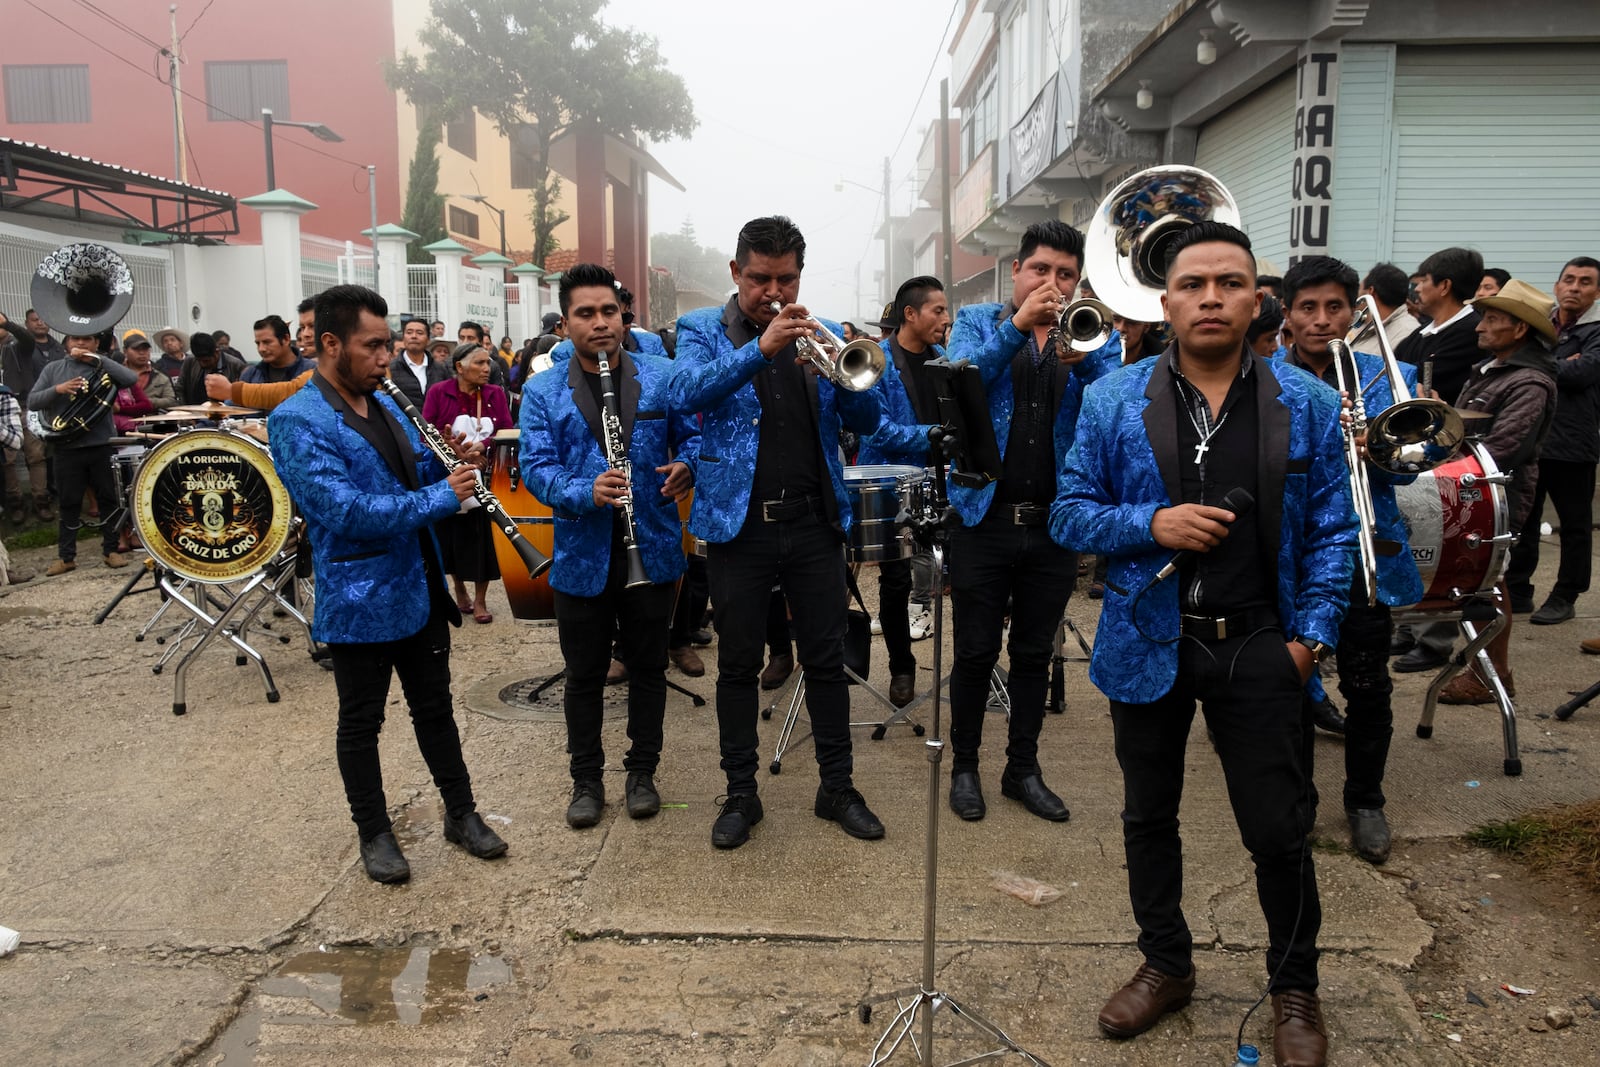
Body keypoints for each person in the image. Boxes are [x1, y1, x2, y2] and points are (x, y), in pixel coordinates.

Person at [1052, 220, 1354, 1067]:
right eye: (1194, 284)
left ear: (1259, 299)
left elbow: (1334, 530)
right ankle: (1166, 963)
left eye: (1230, 282)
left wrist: (1311, 643)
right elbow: (1068, 510)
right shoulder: (1112, 398)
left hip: (1263, 643)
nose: (1212, 296)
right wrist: (1152, 522)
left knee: (1278, 829)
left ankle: (1296, 987)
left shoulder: (1310, 402)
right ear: (1166, 300)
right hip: (1148, 640)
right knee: (1149, 815)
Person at [269, 284, 507, 884]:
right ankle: (374, 832)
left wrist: (445, 462)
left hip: (421, 585)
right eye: (373, 347)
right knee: (361, 722)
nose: (385, 358)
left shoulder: (388, 402)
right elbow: (343, 511)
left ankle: (461, 813)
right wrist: (440, 496)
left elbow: (406, 473)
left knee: (436, 709)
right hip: (360, 599)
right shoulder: (297, 420)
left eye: (388, 346)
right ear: (330, 344)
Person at [670, 214, 884, 849]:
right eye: (760, 279)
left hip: (815, 524)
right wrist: (758, 350)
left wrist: (845, 371)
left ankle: (836, 788)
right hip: (740, 530)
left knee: (825, 661)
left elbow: (868, 414)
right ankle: (740, 793)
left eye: (785, 279)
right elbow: (685, 393)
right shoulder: (702, 330)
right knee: (736, 665)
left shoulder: (817, 333)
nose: (773, 292)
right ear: (735, 273)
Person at [944, 220, 1116, 825]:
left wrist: (1088, 360)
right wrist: (1018, 330)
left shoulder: (1092, 330)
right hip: (981, 518)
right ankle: (965, 766)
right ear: (1016, 271)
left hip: (1053, 524)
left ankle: (1022, 769)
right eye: (1040, 270)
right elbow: (958, 383)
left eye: (1065, 274)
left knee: (1035, 654)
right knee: (973, 652)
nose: (1052, 283)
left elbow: (1118, 403)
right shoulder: (976, 323)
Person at [521, 263, 700, 827]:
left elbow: (693, 434)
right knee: (584, 676)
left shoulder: (664, 375)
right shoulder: (541, 389)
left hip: (653, 547)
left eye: (608, 311)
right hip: (582, 555)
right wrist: (584, 490)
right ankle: (586, 781)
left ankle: (643, 772)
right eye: (585, 313)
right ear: (564, 324)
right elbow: (534, 467)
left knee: (649, 668)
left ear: (623, 314)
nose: (600, 323)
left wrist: (687, 465)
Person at [1274, 255, 1422, 864]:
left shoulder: (1388, 374)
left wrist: (1381, 445)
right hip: (1290, 553)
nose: (1321, 319)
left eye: (1334, 306)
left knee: (1367, 682)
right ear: (1287, 317)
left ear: (1354, 310)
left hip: (1365, 550)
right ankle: (1297, 799)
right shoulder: (1262, 378)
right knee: (1290, 684)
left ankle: (1366, 800)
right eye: (1307, 308)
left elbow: (1419, 460)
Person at [1432, 280, 1559, 704]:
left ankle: (1493, 674)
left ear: (1520, 329)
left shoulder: (1530, 382)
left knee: (1492, 580)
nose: (1479, 327)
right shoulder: (1492, 370)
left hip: (1496, 496)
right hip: (1476, 490)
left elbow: (1506, 447)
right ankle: (1485, 669)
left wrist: (1443, 467)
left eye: (1491, 319)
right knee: (1484, 580)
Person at [859, 275, 950, 706]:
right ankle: (901, 667)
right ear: (910, 314)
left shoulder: (946, 361)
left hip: (940, 482)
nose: (945, 319)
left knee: (952, 575)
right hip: (891, 485)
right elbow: (876, 429)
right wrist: (933, 434)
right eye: (939, 310)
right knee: (895, 583)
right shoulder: (875, 362)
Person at [1506, 257, 1600, 626]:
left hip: (1573, 442)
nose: (1575, 287)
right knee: (1523, 518)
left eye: (1586, 282)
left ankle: (1566, 594)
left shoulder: (1596, 331)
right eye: (1569, 280)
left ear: (1597, 292)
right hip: (1532, 436)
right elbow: (1511, 358)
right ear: (1557, 286)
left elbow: (1584, 372)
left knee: (1575, 524)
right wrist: (1558, 362)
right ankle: (1518, 590)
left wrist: (1537, 364)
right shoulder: (1541, 327)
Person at [29, 328, 139, 575]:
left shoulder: (102, 367)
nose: (81, 342)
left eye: (87, 339)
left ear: (95, 342)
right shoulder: (53, 369)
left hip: (100, 444)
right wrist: (58, 389)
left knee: (109, 499)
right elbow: (33, 400)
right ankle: (66, 557)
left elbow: (130, 380)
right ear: (67, 343)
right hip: (67, 447)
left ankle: (110, 550)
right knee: (69, 502)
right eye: (76, 339)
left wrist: (99, 359)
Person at [422, 342, 513, 624]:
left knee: (481, 538)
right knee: (450, 536)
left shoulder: (495, 394)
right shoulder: (439, 392)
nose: (487, 369)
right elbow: (425, 431)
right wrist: (451, 449)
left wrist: (482, 446)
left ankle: (481, 599)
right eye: (480, 364)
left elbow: (506, 429)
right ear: (460, 367)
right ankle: (459, 589)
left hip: (484, 476)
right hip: (447, 475)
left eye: (489, 363)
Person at [1395, 246, 1484, 407]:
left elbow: (1413, 376)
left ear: (1444, 286)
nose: (1417, 289)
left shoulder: (1471, 331)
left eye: (1424, 281)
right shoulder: (1421, 332)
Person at [0, 309, 63, 523]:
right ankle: (15, 503)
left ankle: (41, 502)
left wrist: (8, 325)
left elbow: (27, 338)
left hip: (26, 404)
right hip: (1, 408)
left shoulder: (17, 344)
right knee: (7, 460)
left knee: (36, 456)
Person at [1348, 263, 1419, 355]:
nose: (1356, 296)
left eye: (1359, 289)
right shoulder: (1359, 323)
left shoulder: (1409, 334)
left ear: (1370, 292)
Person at [389, 318, 450, 410]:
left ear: (428, 340)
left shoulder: (440, 369)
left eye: (419, 333)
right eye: (409, 332)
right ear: (403, 338)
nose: (414, 336)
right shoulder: (391, 368)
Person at [243, 315, 317, 385]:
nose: (261, 349)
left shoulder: (313, 371)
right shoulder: (250, 375)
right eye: (258, 343)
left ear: (286, 339)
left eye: (267, 342)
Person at [176, 333, 245, 405]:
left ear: (217, 352)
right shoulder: (190, 361)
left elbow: (241, 395)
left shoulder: (236, 365)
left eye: (206, 361)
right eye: (198, 360)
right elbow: (180, 388)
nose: (202, 364)